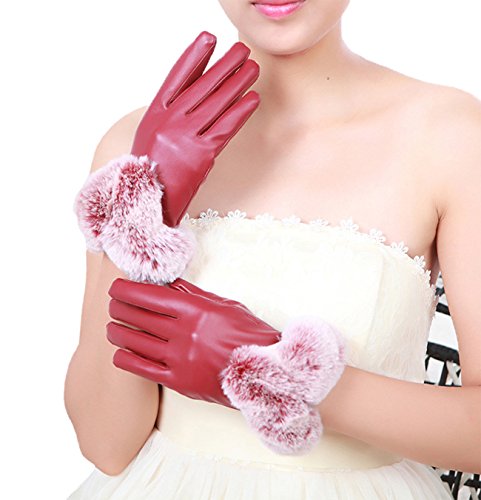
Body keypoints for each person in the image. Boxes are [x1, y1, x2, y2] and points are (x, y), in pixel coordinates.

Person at [65, 0, 481, 498]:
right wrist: (143, 206)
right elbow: (105, 443)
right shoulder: (133, 144)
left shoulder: (451, 137)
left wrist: (271, 372)